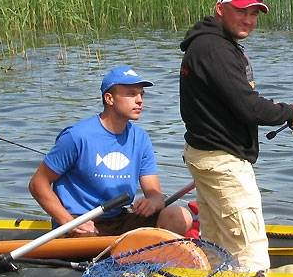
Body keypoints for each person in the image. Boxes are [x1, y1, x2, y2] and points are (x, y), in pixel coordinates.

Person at [179, 0, 293, 271]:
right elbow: (247, 105)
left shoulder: (207, 45)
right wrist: (291, 113)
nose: (249, 20)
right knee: (249, 249)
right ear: (220, 10)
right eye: (241, 12)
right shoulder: (215, 49)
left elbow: (236, 101)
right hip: (224, 163)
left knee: (217, 246)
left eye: (254, 14)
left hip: (206, 157)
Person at [28, 66, 192, 237]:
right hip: (80, 221)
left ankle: (151, 258)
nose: (139, 100)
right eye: (131, 94)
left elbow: (155, 194)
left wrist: (151, 202)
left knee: (180, 217)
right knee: (86, 235)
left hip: (120, 218)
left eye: (141, 94)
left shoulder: (141, 138)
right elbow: (38, 184)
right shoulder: (77, 136)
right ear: (109, 98)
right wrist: (68, 221)